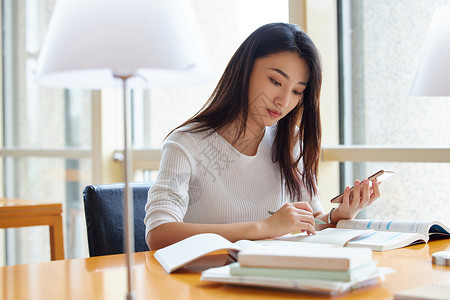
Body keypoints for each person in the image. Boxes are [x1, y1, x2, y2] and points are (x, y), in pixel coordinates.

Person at [144, 23, 380, 250]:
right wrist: (264, 227)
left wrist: (340, 215)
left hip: (270, 281)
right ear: (244, 69)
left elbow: (313, 221)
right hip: (206, 286)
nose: (284, 101)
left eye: (297, 91)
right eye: (276, 81)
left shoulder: (289, 141)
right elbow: (159, 234)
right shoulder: (186, 143)